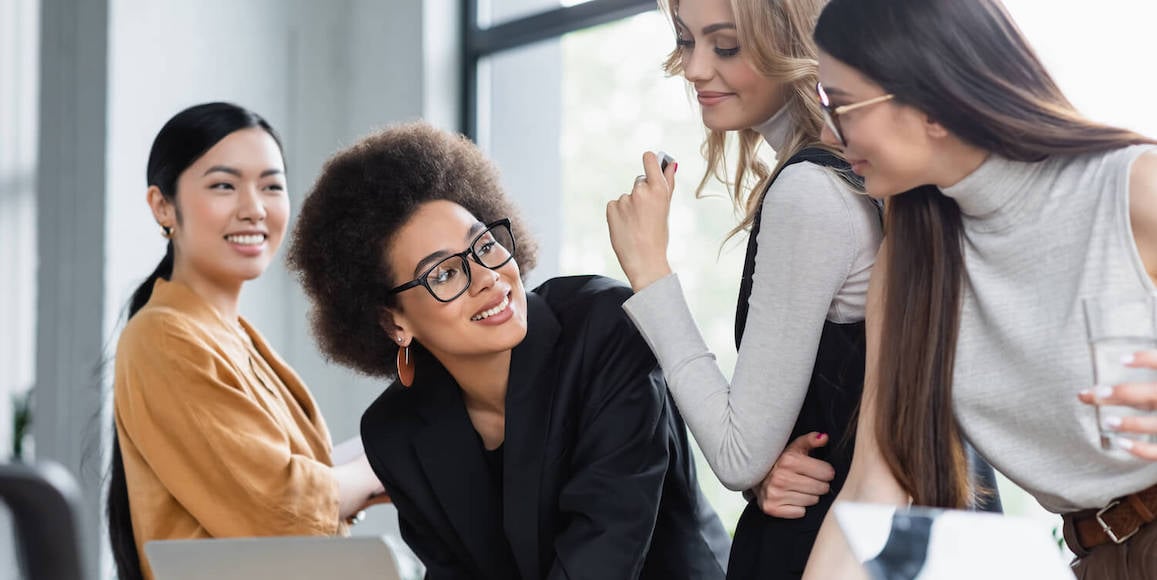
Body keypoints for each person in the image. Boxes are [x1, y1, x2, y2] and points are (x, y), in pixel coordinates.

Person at [799, 0, 1157, 577]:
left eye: (840, 106)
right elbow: (875, 484)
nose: (825, 131)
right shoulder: (910, 265)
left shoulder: (1134, 189)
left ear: (932, 102)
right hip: (1093, 559)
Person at [287, 121, 731, 580]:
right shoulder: (394, 432)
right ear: (393, 321)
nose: (487, 276)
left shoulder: (604, 329)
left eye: (484, 245)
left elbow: (604, 555)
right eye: (444, 275)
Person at [606, 0, 888, 577]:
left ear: (795, 46)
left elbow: (738, 454)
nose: (694, 69)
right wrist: (764, 472)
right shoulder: (852, 174)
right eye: (687, 41)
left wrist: (649, 271)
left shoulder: (809, 193)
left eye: (726, 46)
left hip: (828, 550)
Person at [107, 102, 384, 580]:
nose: (254, 208)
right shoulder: (164, 336)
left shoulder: (228, 334)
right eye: (223, 185)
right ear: (163, 205)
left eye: (272, 185)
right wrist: (377, 471)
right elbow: (275, 508)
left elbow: (274, 471)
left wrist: (393, 445)